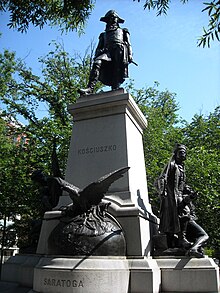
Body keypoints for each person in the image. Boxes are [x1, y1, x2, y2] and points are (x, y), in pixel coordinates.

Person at [156, 144, 209, 257]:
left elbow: (181, 184)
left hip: (180, 195)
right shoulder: (171, 165)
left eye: (184, 152)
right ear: (175, 153)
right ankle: (182, 238)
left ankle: (184, 240)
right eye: (180, 151)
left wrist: (189, 191)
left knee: (185, 213)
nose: (183, 153)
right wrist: (163, 192)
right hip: (173, 196)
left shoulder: (182, 167)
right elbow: (161, 178)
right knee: (184, 213)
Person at [78, 10, 133, 95]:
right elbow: (98, 48)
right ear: (107, 20)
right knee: (97, 63)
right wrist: (99, 52)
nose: (113, 19)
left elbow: (129, 43)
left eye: (115, 17)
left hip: (119, 49)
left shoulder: (123, 31)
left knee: (117, 67)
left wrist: (130, 54)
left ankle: (115, 87)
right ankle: (90, 88)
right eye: (111, 17)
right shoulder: (103, 35)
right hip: (107, 52)